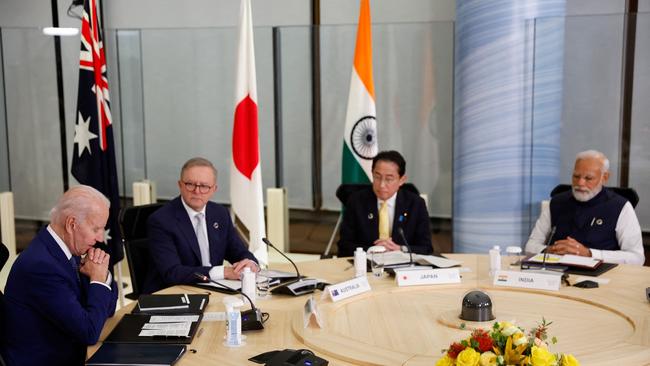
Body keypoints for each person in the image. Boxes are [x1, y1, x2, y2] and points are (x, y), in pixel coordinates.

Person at [0, 185, 118, 366]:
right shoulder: (41, 266)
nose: (101, 238)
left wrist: (101, 276)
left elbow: (106, 309)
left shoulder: (69, 250)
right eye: (95, 229)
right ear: (71, 224)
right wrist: (97, 279)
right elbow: (89, 332)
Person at [143, 157, 259, 293]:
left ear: (214, 189)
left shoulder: (220, 213)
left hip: (212, 290)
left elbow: (238, 251)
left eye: (204, 186)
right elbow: (172, 272)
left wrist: (250, 263)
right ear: (180, 185)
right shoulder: (161, 220)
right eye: (190, 184)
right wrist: (223, 272)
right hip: (172, 294)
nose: (197, 191)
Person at [525, 150, 644, 265]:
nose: (580, 183)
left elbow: (637, 257)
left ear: (605, 177)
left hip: (603, 276)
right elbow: (530, 246)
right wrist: (551, 250)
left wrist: (589, 254)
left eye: (588, 178)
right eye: (576, 176)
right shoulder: (556, 202)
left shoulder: (621, 206)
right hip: (556, 273)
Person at [337, 150, 434, 257]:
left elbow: (426, 248)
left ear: (401, 180)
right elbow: (344, 246)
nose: (382, 185)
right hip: (366, 265)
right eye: (377, 177)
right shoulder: (356, 201)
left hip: (402, 266)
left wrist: (400, 249)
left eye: (389, 179)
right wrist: (371, 250)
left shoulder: (416, 204)